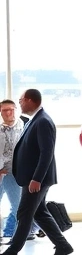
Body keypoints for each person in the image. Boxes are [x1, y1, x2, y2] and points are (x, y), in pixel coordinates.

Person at [0, 89, 74, 255]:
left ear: (30, 100)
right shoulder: (35, 120)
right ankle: (63, 246)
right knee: (39, 213)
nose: (20, 104)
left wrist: (37, 179)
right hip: (32, 177)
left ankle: (11, 254)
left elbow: (47, 153)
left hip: (36, 179)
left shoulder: (42, 121)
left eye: (21, 100)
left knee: (24, 213)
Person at [0, 99, 24, 241]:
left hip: (13, 173)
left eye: (11, 109)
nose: (9, 113)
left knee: (17, 205)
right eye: (4, 110)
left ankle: (10, 233)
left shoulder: (23, 126)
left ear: (15, 109)